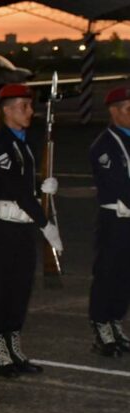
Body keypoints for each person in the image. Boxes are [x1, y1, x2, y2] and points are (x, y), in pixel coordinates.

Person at [0, 84, 63, 377]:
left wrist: (44, 187)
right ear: (6, 110)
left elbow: (26, 187)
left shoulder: (25, 142)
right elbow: (16, 188)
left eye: (30, 106)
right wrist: (46, 224)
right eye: (23, 106)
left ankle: (15, 349)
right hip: (3, 229)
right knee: (0, 291)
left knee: (20, 291)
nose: (31, 111)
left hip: (22, 229)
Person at [87, 86, 130, 357]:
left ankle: (116, 322)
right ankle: (101, 325)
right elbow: (117, 183)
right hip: (114, 218)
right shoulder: (104, 145)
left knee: (125, 275)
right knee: (107, 274)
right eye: (128, 109)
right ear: (114, 112)